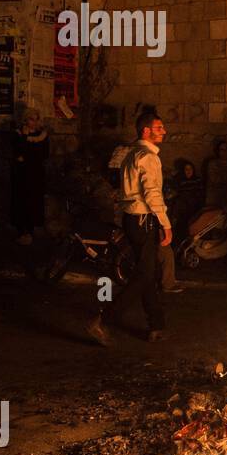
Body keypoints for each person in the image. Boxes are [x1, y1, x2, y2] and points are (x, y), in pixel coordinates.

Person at [88, 112, 172, 344]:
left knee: (149, 271)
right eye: (159, 127)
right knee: (145, 274)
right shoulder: (148, 157)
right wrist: (166, 224)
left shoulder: (131, 154)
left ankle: (157, 325)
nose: (163, 131)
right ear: (146, 131)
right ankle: (104, 320)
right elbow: (152, 193)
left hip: (132, 219)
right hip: (143, 220)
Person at [11, 107, 49, 244]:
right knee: (21, 201)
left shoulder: (42, 135)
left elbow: (44, 154)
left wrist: (28, 154)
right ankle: (22, 230)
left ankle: (31, 230)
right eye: (30, 119)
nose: (32, 122)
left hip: (36, 172)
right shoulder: (19, 134)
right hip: (22, 174)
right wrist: (25, 138)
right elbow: (18, 152)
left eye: (35, 119)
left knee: (34, 201)